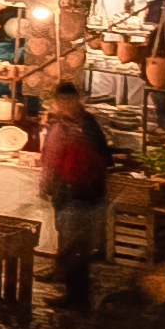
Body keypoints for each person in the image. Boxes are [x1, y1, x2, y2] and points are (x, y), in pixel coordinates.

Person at [30, 83, 115, 307]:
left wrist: (46, 182)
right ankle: (66, 279)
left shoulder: (67, 126)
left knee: (75, 246)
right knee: (72, 241)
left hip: (75, 190)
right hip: (87, 190)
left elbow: (53, 158)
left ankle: (76, 298)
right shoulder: (88, 123)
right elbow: (106, 156)